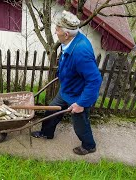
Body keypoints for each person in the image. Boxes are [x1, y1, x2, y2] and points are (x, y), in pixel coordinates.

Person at [31, 10, 102, 155]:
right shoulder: (71, 40)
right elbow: (69, 63)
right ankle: (46, 133)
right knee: (52, 109)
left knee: (80, 123)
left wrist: (81, 103)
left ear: (66, 34)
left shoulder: (81, 51)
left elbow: (95, 80)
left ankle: (89, 146)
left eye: (57, 30)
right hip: (67, 89)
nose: (55, 32)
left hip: (78, 94)